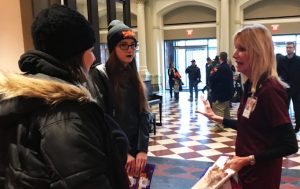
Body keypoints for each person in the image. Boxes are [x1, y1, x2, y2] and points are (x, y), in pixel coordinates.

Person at [0, 5, 129, 189]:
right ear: (76, 55)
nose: (93, 58)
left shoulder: (16, 99)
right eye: (91, 51)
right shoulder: (67, 116)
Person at [197, 24, 298, 189]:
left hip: (261, 175)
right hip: (247, 170)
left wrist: (247, 159)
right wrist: (218, 118)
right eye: (236, 48)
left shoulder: (269, 90)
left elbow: (289, 144)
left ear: (258, 53)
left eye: (241, 49)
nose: (235, 55)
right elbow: (251, 126)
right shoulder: (251, 86)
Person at [89, 20, 150, 177]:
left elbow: (144, 113)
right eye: (123, 45)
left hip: (136, 149)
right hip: (114, 148)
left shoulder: (133, 74)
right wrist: (123, 152)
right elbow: (102, 118)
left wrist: (142, 149)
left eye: (132, 45)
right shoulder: (100, 74)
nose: (130, 49)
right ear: (112, 48)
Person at [277, 42, 300, 133]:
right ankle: (285, 126)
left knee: (297, 108)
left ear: (294, 48)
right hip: (285, 88)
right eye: (287, 47)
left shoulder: (298, 60)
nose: (288, 49)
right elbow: (279, 73)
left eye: (290, 47)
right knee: (283, 108)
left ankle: (297, 126)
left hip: (297, 88)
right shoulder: (282, 60)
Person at [208, 52, 234, 132]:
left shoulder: (220, 68)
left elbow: (213, 79)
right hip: (227, 91)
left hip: (220, 92)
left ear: (220, 58)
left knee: (218, 108)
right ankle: (227, 123)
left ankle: (219, 125)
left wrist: (212, 73)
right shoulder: (228, 67)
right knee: (225, 108)